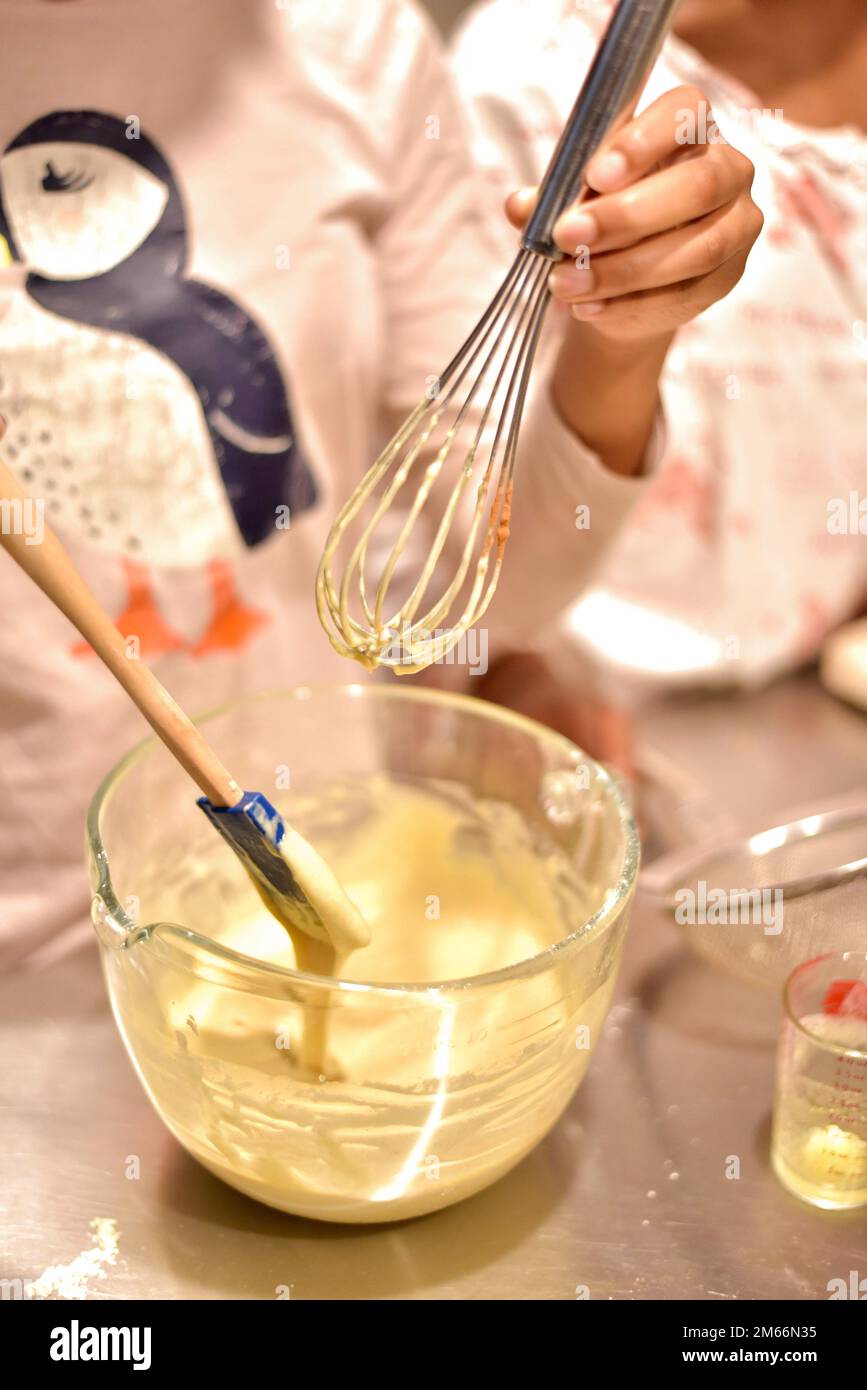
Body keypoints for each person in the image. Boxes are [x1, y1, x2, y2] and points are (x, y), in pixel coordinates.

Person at [450, 0, 867, 769]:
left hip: (809, 719)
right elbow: (453, 550)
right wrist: (499, 671)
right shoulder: (532, 67)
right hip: (585, 730)